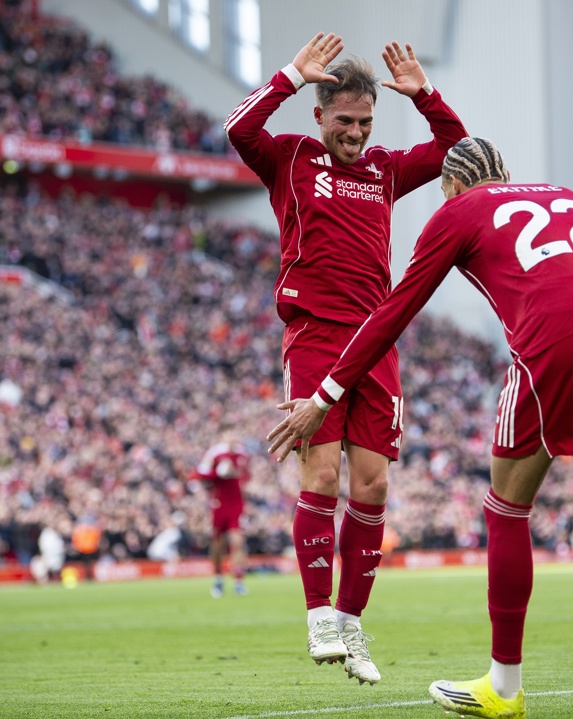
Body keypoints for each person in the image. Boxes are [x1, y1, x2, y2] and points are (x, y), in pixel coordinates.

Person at [267, 138, 573, 719]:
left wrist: (323, 396)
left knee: (506, 511)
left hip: (556, 334)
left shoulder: (458, 210)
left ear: (450, 186)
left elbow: (392, 314)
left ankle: (503, 688)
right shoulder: (563, 193)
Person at [224, 32, 467, 684]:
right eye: (345, 122)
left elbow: (457, 152)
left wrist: (426, 96)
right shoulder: (292, 158)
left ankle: (353, 620)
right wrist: (289, 76)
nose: (356, 133)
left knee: (374, 485)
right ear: (320, 116)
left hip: (376, 344)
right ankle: (317, 614)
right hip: (313, 336)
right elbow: (238, 129)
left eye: (363, 122)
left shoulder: (385, 169)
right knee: (322, 474)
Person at [190, 436, 251, 598]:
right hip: (219, 504)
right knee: (217, 545)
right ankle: (218, 578)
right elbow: (199, 474)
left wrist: (236, 475)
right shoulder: (214, 454)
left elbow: (246, 476)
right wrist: (218, 473)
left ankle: (238, 581)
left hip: (236, 504)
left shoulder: (242, 455)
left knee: (237, 541)